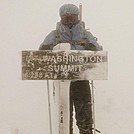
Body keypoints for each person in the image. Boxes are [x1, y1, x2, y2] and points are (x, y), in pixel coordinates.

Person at [39, 4, 102, 134]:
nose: (69, 22)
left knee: (84, 112)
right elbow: (41, 52)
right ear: (61, 18)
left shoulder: (85, 35)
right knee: (63, 115)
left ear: (77, 17)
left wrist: (93, 49)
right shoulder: (54, 35)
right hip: (61, 81)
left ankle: (86, 131)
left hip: (81, 79)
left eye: (72, 18)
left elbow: (98, 53)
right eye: (66, 18)